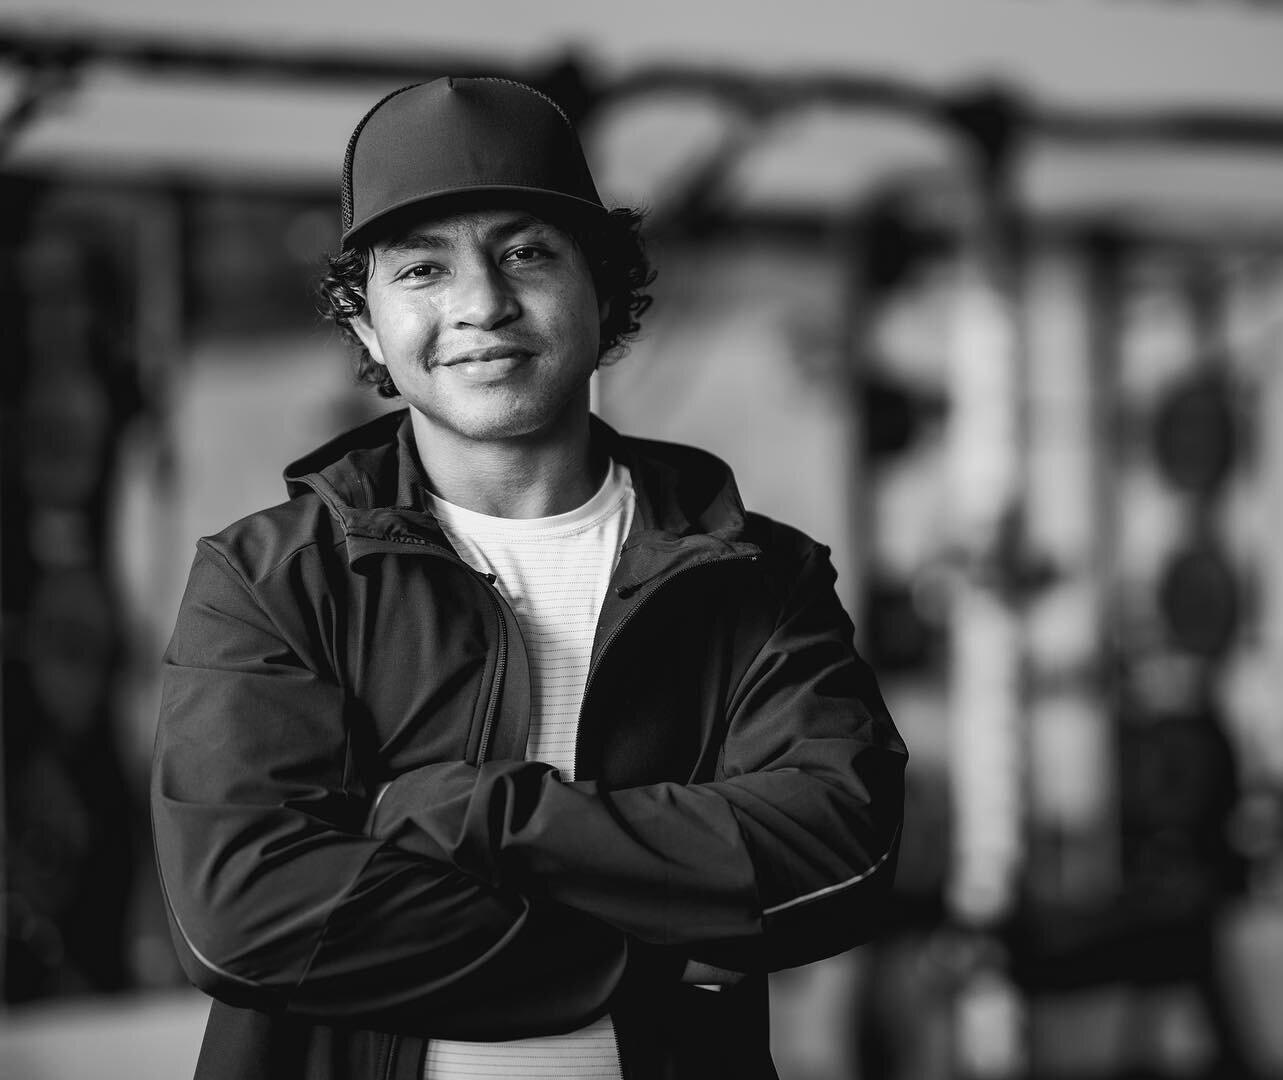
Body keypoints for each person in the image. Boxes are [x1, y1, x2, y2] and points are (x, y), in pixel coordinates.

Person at [151, 76, 907, 1080]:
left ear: (601, 291)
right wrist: (646, 949)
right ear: (366, 324)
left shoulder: (757, 579)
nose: (481, 303)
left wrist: (471, 811)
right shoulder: (268, 582)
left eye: (525, 253)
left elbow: (838, 849)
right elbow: (243, 917)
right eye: (421, 270)